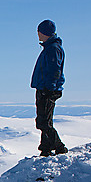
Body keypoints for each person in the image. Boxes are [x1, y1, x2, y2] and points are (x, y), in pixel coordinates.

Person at [31, 19, 67, 156]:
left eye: (39, 31)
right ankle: (45, 148)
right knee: (44, 119)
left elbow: (54, 70)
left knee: (43, 121)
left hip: (47, 90)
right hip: (44, 88)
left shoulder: (53, 49)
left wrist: (49, 89)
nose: (38, 34)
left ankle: (59, 147)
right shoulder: (50, 47)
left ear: (44, 32)